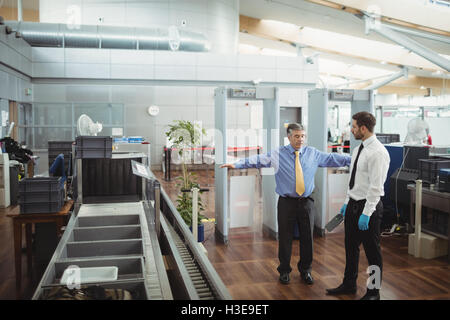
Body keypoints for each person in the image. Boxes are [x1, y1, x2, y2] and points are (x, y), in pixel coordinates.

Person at [220, 123, 351, 286]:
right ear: (289, 137)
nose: (300, 139)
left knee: (307, 239)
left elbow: (333, 159)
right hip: (286, 203)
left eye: (303, 136)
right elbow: (257, 160)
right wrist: (237, 164)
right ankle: (284, 271)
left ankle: (306, 270)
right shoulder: (277, 154)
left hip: (307, 202)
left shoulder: (313, 154)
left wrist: (355, 159)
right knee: (285, 238)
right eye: (296, 136)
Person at [326, 112, 390, 300]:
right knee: (350, 247)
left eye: (353, 127)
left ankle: (374, 291)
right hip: (353, 204)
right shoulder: (357, 149)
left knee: (373, 252)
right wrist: (347, 202)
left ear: (363, 128)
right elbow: (353, 181)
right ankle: (349, 283)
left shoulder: (378, 152)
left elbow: (375, 187)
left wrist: (367, 213)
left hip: (368, 207)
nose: (351, 130)